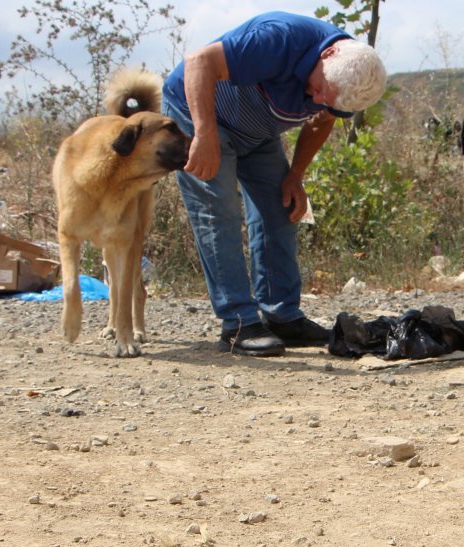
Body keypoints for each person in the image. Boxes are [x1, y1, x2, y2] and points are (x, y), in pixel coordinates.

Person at [162, 11, 388, 356]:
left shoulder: (344, 81)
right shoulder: (281, 38)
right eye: (320, 90)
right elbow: (199, 62)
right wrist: (204, 134)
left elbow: (321, 120)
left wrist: (295, 175)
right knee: (219, 212)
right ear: (327, 54)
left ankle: (282, 317)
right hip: (202, 115)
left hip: (258, 130)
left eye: (327, 99)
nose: (317, 100)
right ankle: (238, 323)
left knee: (282, 208)